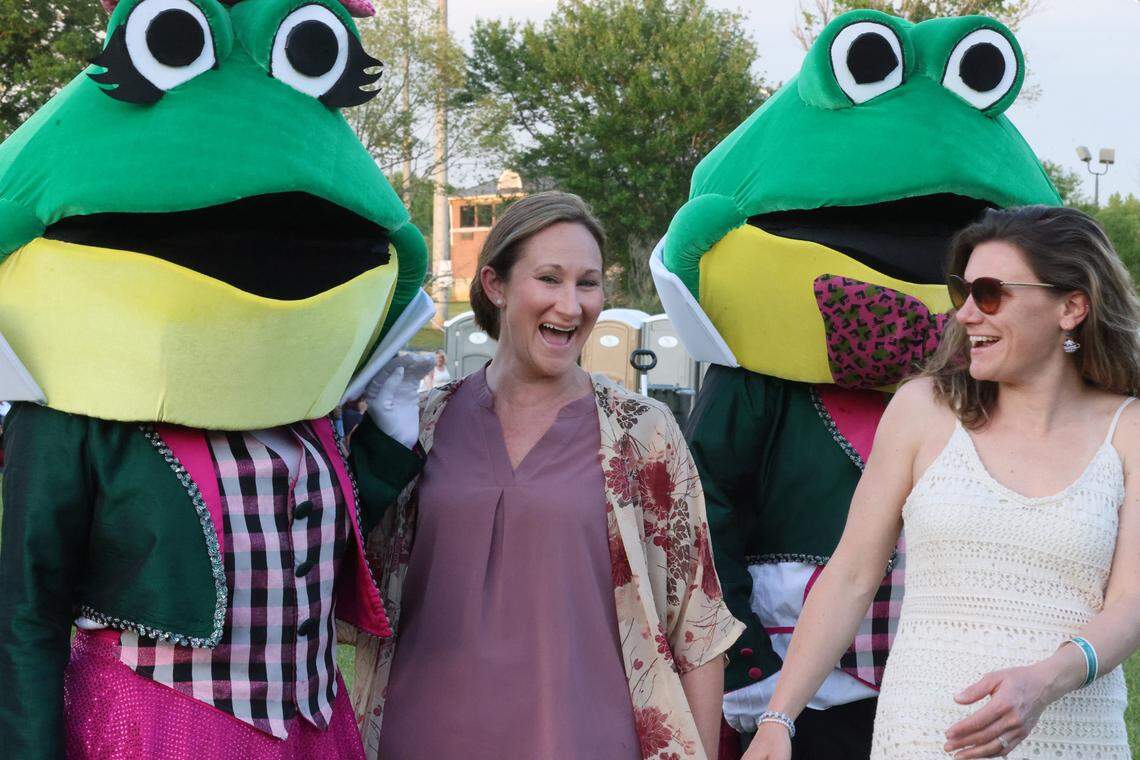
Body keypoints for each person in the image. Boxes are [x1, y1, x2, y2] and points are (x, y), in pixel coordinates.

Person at [348, 191, 744, 760]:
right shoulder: (423, 424)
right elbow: (336, 577)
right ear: (495, 285)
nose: (571, 304)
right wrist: (379, 448)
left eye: (587, 283)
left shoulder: (641, 433)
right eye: (550, 279)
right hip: (422, 736)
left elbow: (696, 625)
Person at [745, 206, 1140, 759]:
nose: (966, 314)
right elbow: (851, 576)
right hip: (922, 738)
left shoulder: (1130, 431)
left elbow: (1131, 604)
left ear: (1071, 306)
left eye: (990, 293)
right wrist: (777, 720)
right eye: (962, 292)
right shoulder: (922, 410)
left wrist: (1045, 680)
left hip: (1076, 742)